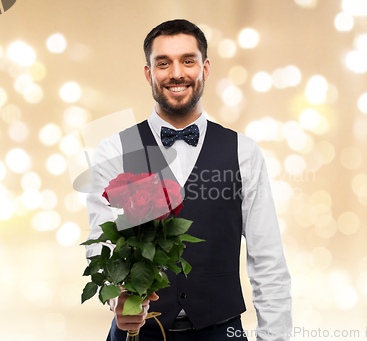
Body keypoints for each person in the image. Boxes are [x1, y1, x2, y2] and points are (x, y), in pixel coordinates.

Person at [85, 19, 292, 341]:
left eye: (188, 61)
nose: (176, 73)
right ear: (148, 73)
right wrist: (120, 301)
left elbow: (267, 257)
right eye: (163, 63)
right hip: (139, 333)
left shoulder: (243, 151)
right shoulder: (114, 149)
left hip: (222, 331)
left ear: (205, 69)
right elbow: (104, 241)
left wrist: (275, 337)